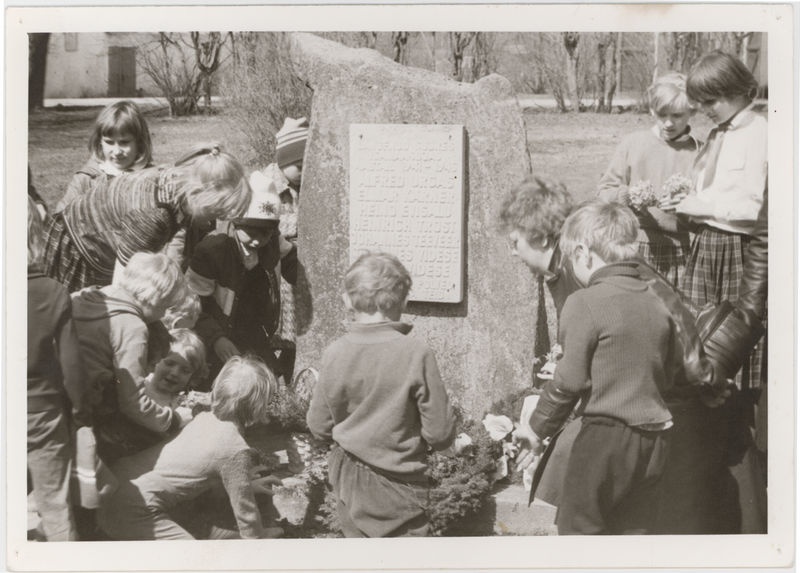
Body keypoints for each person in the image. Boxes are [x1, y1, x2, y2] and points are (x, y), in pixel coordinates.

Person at [515, 201, 682, 535]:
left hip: (604, 440)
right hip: (655, 441)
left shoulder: (584, 302)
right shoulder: (656, 301)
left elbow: (568, 381)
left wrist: (535, 430)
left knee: (580, 534)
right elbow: (671, 371)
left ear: (583, 252)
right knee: (634, 538)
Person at [306, 252, 457, 537]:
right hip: (400, 481)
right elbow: (439, 433)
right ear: (404, 303)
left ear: (347, 301)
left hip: (348, 476)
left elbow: (318, 426)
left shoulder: (335, 353)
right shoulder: (416, 353)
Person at [96, 355, 282, 540]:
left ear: (218, 389)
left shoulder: (203, 419)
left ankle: (212, 535)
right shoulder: (236, 449)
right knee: (191, 557)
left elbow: (200, 468)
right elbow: (246, 515)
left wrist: (244, 486)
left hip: (113, 484)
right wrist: (259, 538)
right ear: (260, 406)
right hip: (133, 509)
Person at [42, 143, 251, 293]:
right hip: (78, 249)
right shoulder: (154, 216)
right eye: (217, 212)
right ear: (199, 194)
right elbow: (122, 284)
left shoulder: (179, 180)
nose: (217, 220)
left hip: (98, 240)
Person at [71, 252, 193, 463]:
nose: (164, 314)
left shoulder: (88, 295)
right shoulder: (131, 326)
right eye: (165, 307)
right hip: (78, 416)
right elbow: (132, 402)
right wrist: (171, 420)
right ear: (156, 298)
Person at [187, 171, 297, 385]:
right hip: (219, 328)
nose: (258, 241)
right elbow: (193, 304)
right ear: (237, 222)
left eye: (266, 232)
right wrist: (216, 338)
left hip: (254, 327)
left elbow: (292, 262)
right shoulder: (212, 250)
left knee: (265, 383)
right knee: (221, 380)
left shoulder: (272, 241)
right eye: (252, 232)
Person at [597, 72, 701, 287]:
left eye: (677, 115)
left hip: (682, 248)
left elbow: (709, 202)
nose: (669, 123)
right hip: (635, 243)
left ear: (691, 111)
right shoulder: (634, 144)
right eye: (662, 115)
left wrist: (688, 204)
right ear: (653, 110)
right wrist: (627, 195)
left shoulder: (699, 151)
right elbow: (604, 190)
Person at [27, 196, 87, 541]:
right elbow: (72, 364)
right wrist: (80, 408)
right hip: (40, 412)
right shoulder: (51, 291)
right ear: (36, 238)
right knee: (55, 505)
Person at [260, 116, 309, 384]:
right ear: (283, 160)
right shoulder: (269, 186)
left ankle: (292, 378)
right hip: (277, 266)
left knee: (298, 334)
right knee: (277, 330)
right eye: (299, 165)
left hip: (300, 268)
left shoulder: (308, 184)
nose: (305, 170)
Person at [55, 100, 154, 213]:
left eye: (124, 142)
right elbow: (60, 219)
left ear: (139, 142)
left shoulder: (153, 180)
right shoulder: (86, 180)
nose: (117, 151)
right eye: (109, 142)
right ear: (99, 142)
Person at [143, 328, 208, 408]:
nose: (175, 373)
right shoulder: (139, 389)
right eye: (169, 364)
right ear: (156, 360)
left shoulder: (183, 403)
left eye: (185, 371)